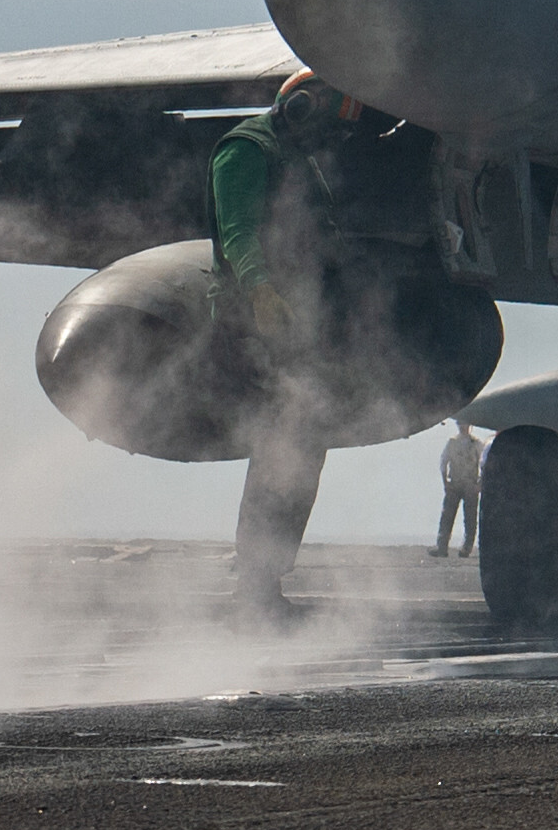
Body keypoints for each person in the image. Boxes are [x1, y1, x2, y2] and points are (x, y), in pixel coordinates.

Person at [209, 70, 495, 615]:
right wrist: (260, 291)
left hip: (299, 323)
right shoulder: (245, 150)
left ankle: (265, 585)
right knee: (282, 450)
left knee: (300, 450)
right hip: (258, 322)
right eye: (331, 124)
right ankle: (254, 589)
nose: (334, 139)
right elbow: (238, 233)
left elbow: (323, 241)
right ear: (300, 107)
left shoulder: (301, 162)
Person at [432, 422, 482, 558]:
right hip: (455, 483)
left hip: (470, 484)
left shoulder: (476, 443)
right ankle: (442, 546)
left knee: (470, 518)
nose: (462, 426)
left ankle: (466, 547)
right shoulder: (452, 442)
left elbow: (483, 463)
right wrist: (445, 482)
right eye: (460, 423)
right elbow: (444, 461)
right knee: (447, 516)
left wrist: (480, 484)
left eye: (464, 423)